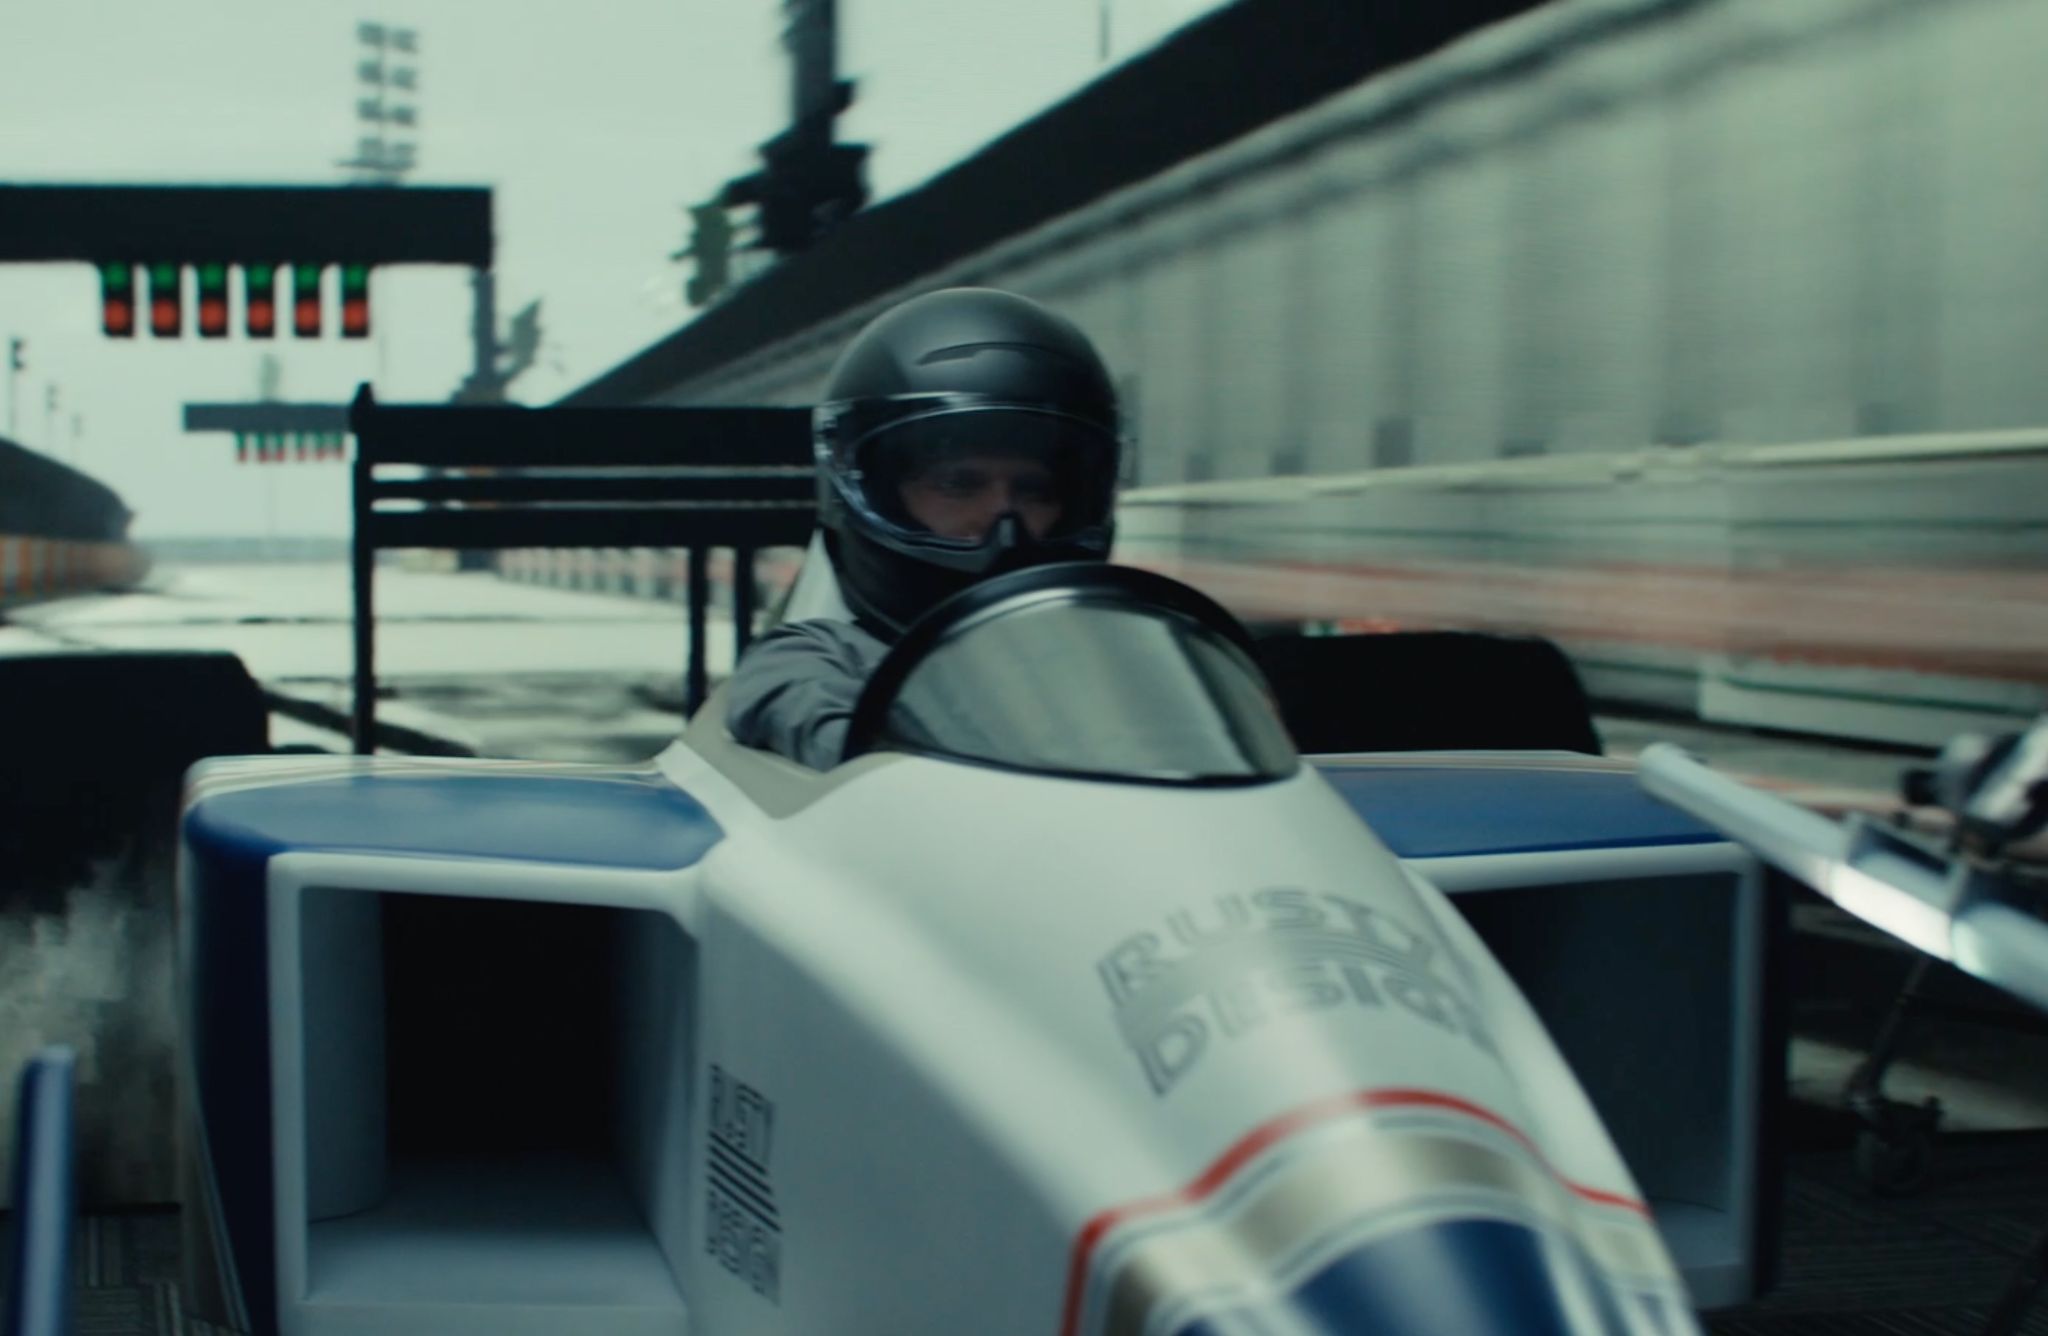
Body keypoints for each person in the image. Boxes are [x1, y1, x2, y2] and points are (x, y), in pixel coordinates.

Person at [725, 287, 1124, 768]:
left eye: (1033, 491)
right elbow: (832, 735)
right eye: (960, 484)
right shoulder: (811, 658)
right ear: (879, 491)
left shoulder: (1111, 657)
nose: (1001, 519)